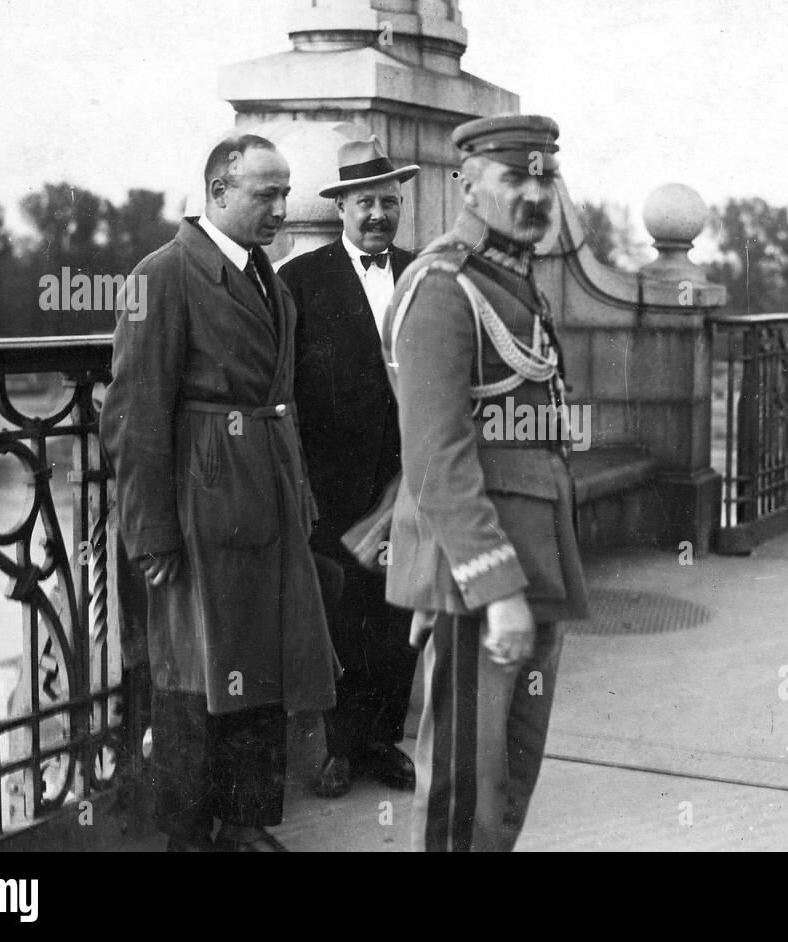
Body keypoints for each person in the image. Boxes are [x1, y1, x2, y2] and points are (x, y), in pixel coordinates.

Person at [102, 133, 338, 851]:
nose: (281, 208)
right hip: (201, 506)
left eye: (285, 192)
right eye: (265, 193)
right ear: (217, 192)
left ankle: (244, 821)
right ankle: (187, 833)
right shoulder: (164, 275)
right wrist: (151, 534)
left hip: (264, 492)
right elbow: (134, 414)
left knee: (258, 660)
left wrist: (297, 492)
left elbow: (282, 398)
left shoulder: (268, 273)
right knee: (191, 671)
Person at [383, 114, 589, 852]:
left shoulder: (510, 280)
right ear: (467, 185)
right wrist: (495, 590)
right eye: (516, 177)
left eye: (546, 177)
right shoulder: (443, 287)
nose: (536, 193)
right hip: (483, 579)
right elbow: (436, 457)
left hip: (533, 560)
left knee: (509, 781)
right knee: (464, 793)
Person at [278, 135, 421, 797]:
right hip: (331, 486)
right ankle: (338, 747)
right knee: (341, 617)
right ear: (341, 206)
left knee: (398, 617)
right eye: (366, 203)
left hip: (408, 484)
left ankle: (382, 744)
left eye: (390, 203)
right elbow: (279, 388)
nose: (379, 216)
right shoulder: (300, 281)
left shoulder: (424, 276)